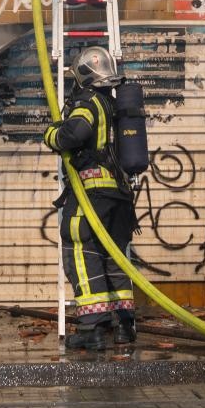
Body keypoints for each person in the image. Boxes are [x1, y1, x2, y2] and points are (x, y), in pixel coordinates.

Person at [43, 47, 137, 350]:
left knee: (82, 254)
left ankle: (91, 328)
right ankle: (124, 326)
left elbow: (73, 134)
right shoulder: (112, 104)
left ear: (82, 75)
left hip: (91, 196)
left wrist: (51, 134)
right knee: (114, 260)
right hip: (119, 199)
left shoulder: (88, 102)